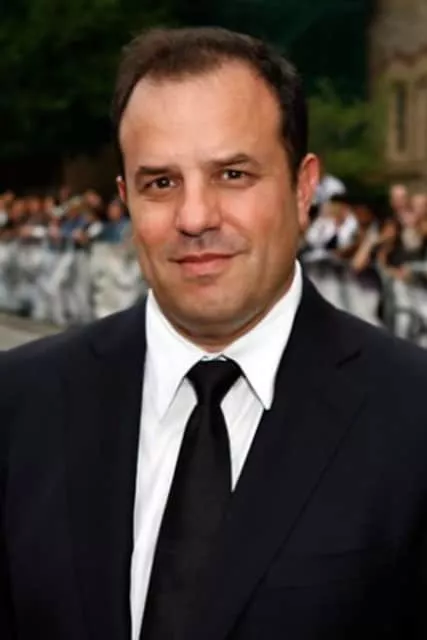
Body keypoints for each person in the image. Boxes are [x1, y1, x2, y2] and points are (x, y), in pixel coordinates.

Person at [1, 27, 427, 640]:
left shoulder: (411, 414)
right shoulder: (19, 403)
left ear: (303, 187)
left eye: (232, 174)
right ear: (125, 198)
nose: (195, 217)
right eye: (161, 183)